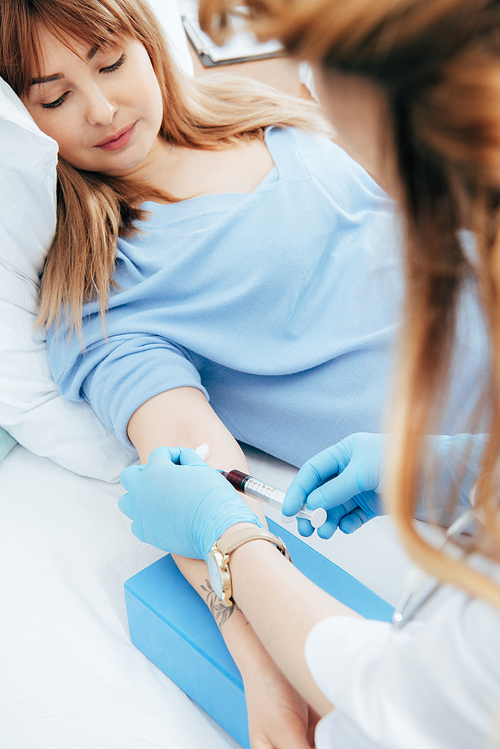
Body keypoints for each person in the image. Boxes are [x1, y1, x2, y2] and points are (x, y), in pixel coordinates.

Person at [117, 0, 500, 747]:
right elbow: (183, 435)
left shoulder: (278, 118)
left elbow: (405, 700)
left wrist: (221, 531)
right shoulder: (109, 291)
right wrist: (447, 466)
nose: (99, 106)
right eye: (53, 94)